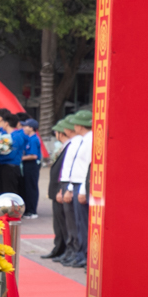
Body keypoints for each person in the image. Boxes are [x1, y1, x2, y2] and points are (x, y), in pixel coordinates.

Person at [58, 112, 93, 267]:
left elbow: (87, 166)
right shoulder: (83, 140)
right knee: (79, 223)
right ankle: (80, 254)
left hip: (83, 184)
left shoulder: (90, 139)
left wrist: (83, 190)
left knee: (83, 223)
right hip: (77, 183)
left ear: (79, 126)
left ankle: (85, 255)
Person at [43, 117, 81, 260]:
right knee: (59, 222)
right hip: (58, 188)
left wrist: (62, 189)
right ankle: (59, 248)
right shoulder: (66, 145)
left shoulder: (73, 144)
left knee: (66, 223)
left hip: (63, 187)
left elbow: (67, 170)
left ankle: (67, 250)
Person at [12, 116, 41, 217]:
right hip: (27, 165)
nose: (23, 128)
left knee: (31, 187)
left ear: (31, 128)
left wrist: (21, 158)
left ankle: (32, 211)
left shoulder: (33, 139)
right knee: (27, 186)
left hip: (32, 165)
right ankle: (29, 209)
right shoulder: (29, 138)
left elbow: (34, 155)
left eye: (26, 126)